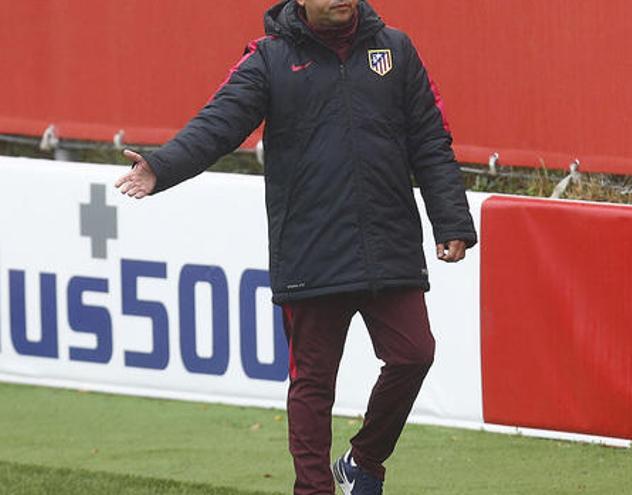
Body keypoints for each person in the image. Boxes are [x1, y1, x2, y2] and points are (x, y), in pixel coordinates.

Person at [114, 0, 476, 493]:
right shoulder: (269, 58)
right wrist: (162, 166)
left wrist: (450, 219)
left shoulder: (396, 48)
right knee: (313, 384)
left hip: (389, 242)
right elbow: (217, 124)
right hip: (311, 249)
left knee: (415, 354)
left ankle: (363, 462)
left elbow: (431, 139)